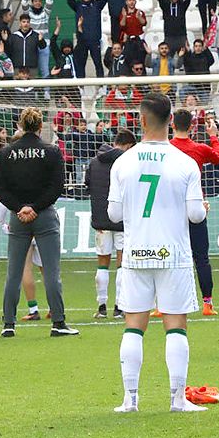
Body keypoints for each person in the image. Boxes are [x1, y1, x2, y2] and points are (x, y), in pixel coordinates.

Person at [107, 93, 207, 413]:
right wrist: (201, 208)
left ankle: (130, 399)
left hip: (136, 252)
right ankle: (177, 400)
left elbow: (113, 215)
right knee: (175, 325)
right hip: (173, 254)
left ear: (141, 120)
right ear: (170, 122)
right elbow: (195, 217)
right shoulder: (186, 162)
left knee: (134, 325)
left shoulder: (123, 161)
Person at [0, 108, 76, 338]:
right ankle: (58, 322)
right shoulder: (51, 152)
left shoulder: (6, 153)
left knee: (14, 271)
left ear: (20, 125)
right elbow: (57, 187)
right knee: (51, 271)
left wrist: (20, 208)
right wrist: (35, 207)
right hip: (44, 215)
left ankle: (8, 324)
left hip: (18, 217)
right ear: (41, 127)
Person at [169, 108, 219, 316]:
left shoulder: (166, 148)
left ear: (172, 125)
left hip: (170, 210)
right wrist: (213, 136)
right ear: (192, 126)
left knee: (168, 256)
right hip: (195, 207)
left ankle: (162, 303)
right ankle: (208, 303)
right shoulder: (199, 149)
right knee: (201, 256)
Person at [87, 129, 136, 319]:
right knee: (122, 264)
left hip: (100, 220)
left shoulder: (93, 162)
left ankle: (101, 307)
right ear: (128, 146)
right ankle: (119, 307)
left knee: (102, 264)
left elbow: (89, 188)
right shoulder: (127, 163)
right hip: (122, 219)